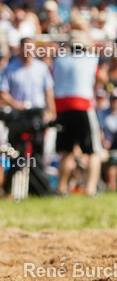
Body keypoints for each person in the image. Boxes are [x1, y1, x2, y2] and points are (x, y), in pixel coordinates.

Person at [53, 33, 106, 196]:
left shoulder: (59, 60)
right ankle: (90, 189)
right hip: (83, 105)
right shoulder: (91, 59)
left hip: (61, 107)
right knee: (94, 151)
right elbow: (102, 78)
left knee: (66, 151)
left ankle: (61, 189)